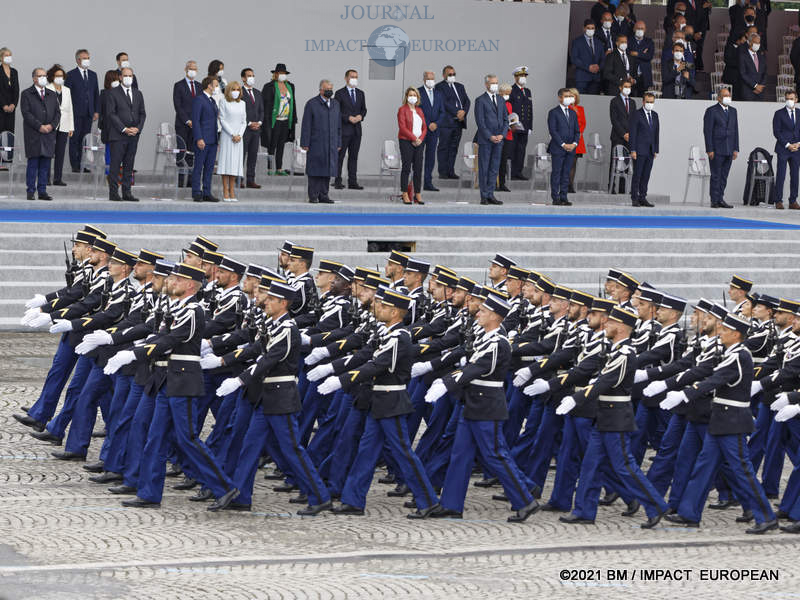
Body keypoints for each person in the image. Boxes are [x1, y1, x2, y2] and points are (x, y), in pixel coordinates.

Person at [664, 313, 777, 534]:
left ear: (736, 334)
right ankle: (689, 512)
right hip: (721, 420)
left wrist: (686, 395)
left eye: (724, 330)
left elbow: (715, 380)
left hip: (732, 421)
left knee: (742, 470)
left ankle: (766, 516)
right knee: (703, 468)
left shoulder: (739, 356)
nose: (720, 332)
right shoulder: (730, 354)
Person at [105, 67, 145, 202]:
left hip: (133, 136)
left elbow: (142, 113)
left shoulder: (138, 93)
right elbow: (111, 113)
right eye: (125, 75)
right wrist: (124, 128)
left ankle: (127, 192)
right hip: (118, 135)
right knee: (115, 165)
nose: (128, 78)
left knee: (129, 165)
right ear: (120, 77)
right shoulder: (113, 93)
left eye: (130, 75)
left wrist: (137, 129)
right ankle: (113, 193)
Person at [20, 68, 60, 201]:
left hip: (48, 134)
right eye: (40, 75)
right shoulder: (26, 94)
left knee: (45, 165)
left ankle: (42, 191)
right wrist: (39, 126)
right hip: (34, 134)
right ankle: (30, 191)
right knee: (33, 164)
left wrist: (51, 126)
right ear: (34, 78)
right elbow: (26, 113)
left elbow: (57, 113)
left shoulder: (51, 94)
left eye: (45, 75)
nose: (43, 77)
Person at [300, 79, 341, 204]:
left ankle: (324, 195)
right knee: (315, 170)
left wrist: (339, 142)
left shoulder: (335, 104)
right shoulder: (312, 104)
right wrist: (305, 143)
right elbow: (306, 125)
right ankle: (313, 195)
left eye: (331, 89)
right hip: (316, 142)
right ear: (321, 90)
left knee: (327, 170)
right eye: (327, 89)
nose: (329, 91)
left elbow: (339, 125)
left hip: (331, 143)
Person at [474, 74, 508, 206]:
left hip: (499, 140)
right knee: (484, 168)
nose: (495, 85)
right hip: (486, 140)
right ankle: (484, 195)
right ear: (486, 84)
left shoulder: (500, 99)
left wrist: (502, 135)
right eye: (493, 83)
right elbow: (480, 122)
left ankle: (491, 194)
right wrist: (490, 136)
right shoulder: (480, 100)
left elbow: (506, 119)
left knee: (494, 168)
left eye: (496, 82)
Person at [65, 49, 99, 173]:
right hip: (75, 113)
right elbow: (66, 95)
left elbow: (96, 93)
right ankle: (75, 165)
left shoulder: (93, 75)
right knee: (75, 139)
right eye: (85, 58)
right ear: (78, 60)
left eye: (88, 58)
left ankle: (83, 164)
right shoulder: (70, 75)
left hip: (89, 113)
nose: (87, 60)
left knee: (85, 139)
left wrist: (96, 111)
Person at [703, 88, 738, 209]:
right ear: (719, 98)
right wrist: (709, 149)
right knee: (716, 175)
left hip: (729, 148)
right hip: (716, 149)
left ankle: (720, 198)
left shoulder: (733, 111)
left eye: (729, 95)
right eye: (725, 96)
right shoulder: (711, 111)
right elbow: (707, 131)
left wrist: (735, 148)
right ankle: (714, 200)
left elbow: (735, 131)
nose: (728, 97)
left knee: (724, 176)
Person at [260, 63, 296, 177]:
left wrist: (294, 118)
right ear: (275, 74)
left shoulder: (290, 86)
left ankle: (279, 168)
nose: (282, 75)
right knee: (272, 144)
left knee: (282, 144)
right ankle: (270, 168)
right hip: (274, 121)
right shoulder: (269, 86)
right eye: (280, 73)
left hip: (286, 120)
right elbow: (264, 104)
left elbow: (292, 103)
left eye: (284, 73)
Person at [435, 65, 470, 179]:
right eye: (450, 74)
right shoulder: (439, 87)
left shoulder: (460, 86)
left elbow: (467, 101)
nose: (452, 76)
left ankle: (451, 171)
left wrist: (463, 112)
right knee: (444, 147)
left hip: (458, 123)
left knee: (454, 148)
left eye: (454, 74)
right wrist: (457, 112)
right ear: (444, 75)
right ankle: (443, 172)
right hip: (446, 123)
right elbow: (444, 102)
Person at [333, 69, 366, 190]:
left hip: (357, 131)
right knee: (340, 156)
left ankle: (353, 182)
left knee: (354, 157)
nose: (354, 79)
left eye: (356, 77)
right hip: (344, 130)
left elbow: (364, 109)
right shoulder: (339, 93)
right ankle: (337, 180)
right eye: (352, 77)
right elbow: (336, 111)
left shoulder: (361, 93)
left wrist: (360, 116)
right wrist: (348, 118)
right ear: (346, 78)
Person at [547, 88, 580, 207]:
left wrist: (574, 144)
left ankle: (564, 196)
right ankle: (555, 197)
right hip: (558, 148)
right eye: (566, 96)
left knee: (566, 173)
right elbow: (553, 131)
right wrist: (563, 144)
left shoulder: (573, 113)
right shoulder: (553, 112)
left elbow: (577, 131)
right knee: (557, 172)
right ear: (560, 98)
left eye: (570, 96)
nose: (569, 98)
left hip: (571, 148)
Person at [191, 76, 220, 203]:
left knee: (209, 168)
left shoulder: (212, 101)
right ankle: (196, 192)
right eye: (216, 85)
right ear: (209, 85)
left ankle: (207, 192)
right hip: (203, 139)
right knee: (199, 167)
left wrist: (216, 139)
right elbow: (196, 121)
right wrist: (199, 138)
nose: (217, 87)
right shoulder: (199, 99)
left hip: (213, 139)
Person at [217, 81, 246, 202]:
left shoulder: (242, 103)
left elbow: (244, 121)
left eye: (238, 89)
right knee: (226, 162)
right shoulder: (223, 102)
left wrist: (239, 134)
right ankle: (225, 190)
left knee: (235, 163)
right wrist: (233, 134)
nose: (236, 91)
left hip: (239, 138)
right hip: (227, 136)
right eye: (233, 89)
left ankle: (232, 190)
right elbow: (222, 120)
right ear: (228, 90)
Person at [397, 87, 426, 206]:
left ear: (417, 97)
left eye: (415, 95)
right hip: (406, 141)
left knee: (418, 168)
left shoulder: (419, 110)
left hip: (419, 142)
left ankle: (417, 193)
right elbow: (402, 128)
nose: (412, 97)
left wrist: (420, 139)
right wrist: (414, 138)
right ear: (406, 96)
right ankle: (404, 193)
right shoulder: (402, 109)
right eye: (410, 95)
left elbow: (425, 127)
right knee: (406, 167)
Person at [628, 92, 659, 208]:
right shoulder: (636, 114)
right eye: (648, 102)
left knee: (646, 175)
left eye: (652, 102)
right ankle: (634, 198)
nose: (650, 104)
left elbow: (656, 133)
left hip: (650, 150)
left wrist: (656, 149)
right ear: (643, 102)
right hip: (639, 150)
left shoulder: (655, 115)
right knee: (638, 175)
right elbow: (633, 133)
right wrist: (633, 149)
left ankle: (643, 197)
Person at [45, 65, 73, 187]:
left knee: (60, 153)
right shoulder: (47, 88)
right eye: (57, 76)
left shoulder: (67, 90)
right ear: (52, 77)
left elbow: (70, 109)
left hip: (64, 125)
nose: (59, 78)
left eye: (61, 76)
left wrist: (71, 127)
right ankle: (45, 178)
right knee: (48, 152)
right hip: (51, 124)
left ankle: (58, 178)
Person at [173, 61, 199, 188]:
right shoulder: (178, 85)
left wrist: (197, 121)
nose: (192, 71)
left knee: (192, 152)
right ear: (185, 69)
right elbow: (178, 106)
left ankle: (190, 180)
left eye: (195, 69)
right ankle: (181, 180)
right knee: (182, 152)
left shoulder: (199, 86)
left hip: (196, 125)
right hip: (183, 124)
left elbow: (201, 105)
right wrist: (188, 121)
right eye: (190, 68)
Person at [773, 90, 800, 210]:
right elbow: (777, 132)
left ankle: (793, 201)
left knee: (795, 175)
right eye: (788, 98)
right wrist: (788, 145)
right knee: (781, 175)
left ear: (796, 100)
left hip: (797, 149)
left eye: (792, 98)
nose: (790, 101)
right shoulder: (779, 113)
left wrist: (798, 144)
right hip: (783, 149)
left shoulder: (799, 113)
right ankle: (778, 200)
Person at [417, 71, 443, 191]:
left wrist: (436, 124)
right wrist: (428, 124)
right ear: (424, 79)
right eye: (428, 79)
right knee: (418, 156)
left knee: (431, 157)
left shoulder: (438, 94)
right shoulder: (417, 92)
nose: (431, 81)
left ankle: (428, 182)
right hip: (421, 130)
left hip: (434, 131)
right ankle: (416, 182)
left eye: (433, 79)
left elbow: (442, 112)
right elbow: (417, 111)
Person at [609, 80, 635, 193]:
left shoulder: (633, 102)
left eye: (629, 87)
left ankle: (622, 188)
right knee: (615, 162)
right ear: (620, 87)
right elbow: (614, 120)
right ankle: (612, 186)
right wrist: (623, 134)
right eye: (625, 86)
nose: (627, 89)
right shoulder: (614, 101)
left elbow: (634, 119)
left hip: (630, 137)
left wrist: (631, 134)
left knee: (626, 162)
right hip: (618, 136)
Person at [239, 69, 263, 189]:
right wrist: (249, 123)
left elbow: (262, 110)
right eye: (249, 76)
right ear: (243, 78)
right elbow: (239, 111)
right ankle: (239, 179)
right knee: (241, 155)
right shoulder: (239, 92)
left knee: (253, 155)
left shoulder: (258, 93)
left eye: (253, 75)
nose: (251, 78)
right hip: (244, 129)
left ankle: (251, 179)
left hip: (256, 129)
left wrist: (259, 122)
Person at [509, 66, 532, 180]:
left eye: (524, 76)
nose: (523, 78)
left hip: (525, 126)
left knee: (522, 150)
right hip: (515, 126)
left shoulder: (527, 91)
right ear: (515, 77)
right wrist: (511, 124)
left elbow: (530, 109)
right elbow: (509, 109)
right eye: (521, 76)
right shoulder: (511, 90)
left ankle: (519, 172)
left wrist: (530, 126)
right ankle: (512, 173)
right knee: (513, 149)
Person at [571, 20, 606, 95]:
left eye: (592, 28)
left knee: (593, 102)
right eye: (588, 28)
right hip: (582, 78)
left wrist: (599, 67)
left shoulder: (599, 42)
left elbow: (603, 59)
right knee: (580, 101)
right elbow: (574, 59)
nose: (590, 30)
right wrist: (588, 67)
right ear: (583, 28)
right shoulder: (577, 42)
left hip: (595, 78)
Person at [98, 70, 119, 184]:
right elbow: (101, 112)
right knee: (109, 153)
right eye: (114, 79)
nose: (116, 81)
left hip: (120, 128)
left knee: (119, 153)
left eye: (117, 79)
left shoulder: (122, 93)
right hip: (107, 128)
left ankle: (116, 174)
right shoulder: (104, 93)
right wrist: (99, 127)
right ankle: (108, 176)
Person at [0, 47, 19, 169]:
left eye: (10, 55)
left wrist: (13, 104)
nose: (9, 57)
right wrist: (3, 105)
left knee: (10, 133)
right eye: (6, 55)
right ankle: (0, 161)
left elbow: (16, 90)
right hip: (0, 108)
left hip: (11, 109)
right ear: (1, 57)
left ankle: (8, 160)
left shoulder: (14, 72)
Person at [568, 88, 586, 194]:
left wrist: (578, 133)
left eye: (574, 96)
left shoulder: (580, 109)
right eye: (570, 96)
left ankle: (570, 184)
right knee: (567, 163)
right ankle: (565, 183)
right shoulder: (565, 108)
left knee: (574, 163)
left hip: (578, 139)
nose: (572, 98)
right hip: (567, 139)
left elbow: (583, 123)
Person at [738, 34, 766, 102]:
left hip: (760, 92)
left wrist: (761, 86)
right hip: (748, 92)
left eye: (759, 43)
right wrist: (755, 86)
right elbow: (743, 74)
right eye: (755, 42)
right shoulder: (743, 56)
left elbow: (764, 73)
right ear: (750, 43)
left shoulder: (761, 56)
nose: (758, 45)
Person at [497, 83, 515, 193]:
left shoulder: (509, 104)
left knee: (503, 161)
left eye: (509, 93)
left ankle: (502, 183)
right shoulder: (497, 103)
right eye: (506, 93)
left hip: (508, 135)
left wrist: (514, 124)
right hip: (498, 135)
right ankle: (494, 183)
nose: (508, 95)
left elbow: (510, 117)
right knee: (496, 161)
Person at [629, 22, 654, 96]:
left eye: (642, 28)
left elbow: (649, 56)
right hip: (632, 74)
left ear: (645, 30)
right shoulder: (628, 41)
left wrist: (637, 54)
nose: (640, 30)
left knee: (643, 98)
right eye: (638, 28)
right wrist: (643, 54)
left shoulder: (649, 42)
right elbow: (628, 55)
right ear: (634, 29)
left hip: (645, 76)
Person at [724, 32, 747, 100]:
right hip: (730, 76)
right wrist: (740, 63)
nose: (744, 42)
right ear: (738, 40)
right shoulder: (729, 47)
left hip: (740, 78)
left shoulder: (743, 49)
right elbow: (727, 60)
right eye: (742, 40)